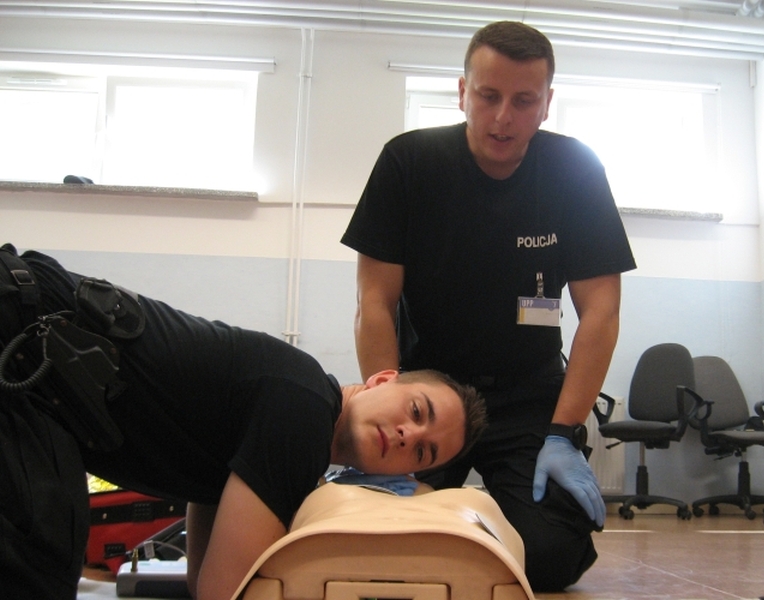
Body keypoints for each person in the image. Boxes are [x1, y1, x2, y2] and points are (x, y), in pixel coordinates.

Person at [0, 243, 487, 600]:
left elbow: (204, 582)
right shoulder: (304, 412)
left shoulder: (286, 416)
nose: (407, 435)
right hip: (18, 329)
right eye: (417, 411)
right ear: (381, 379)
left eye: (422, 452)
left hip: (29, 351)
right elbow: (222, 593)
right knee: (37, 559)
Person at [340, 20, 636, 591]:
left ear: (546, 103)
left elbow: (601, 313)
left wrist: (564, 431)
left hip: (529, 394)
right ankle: (449, 528)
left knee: (552, 557)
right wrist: (388, 404)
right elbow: (373, 301)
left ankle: (462, 530)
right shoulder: (408, 162)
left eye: (524, 101)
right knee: (376, 542)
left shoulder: (576, 171)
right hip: (429, 395)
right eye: (488, 95)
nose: (503, 117)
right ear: (462, 92)